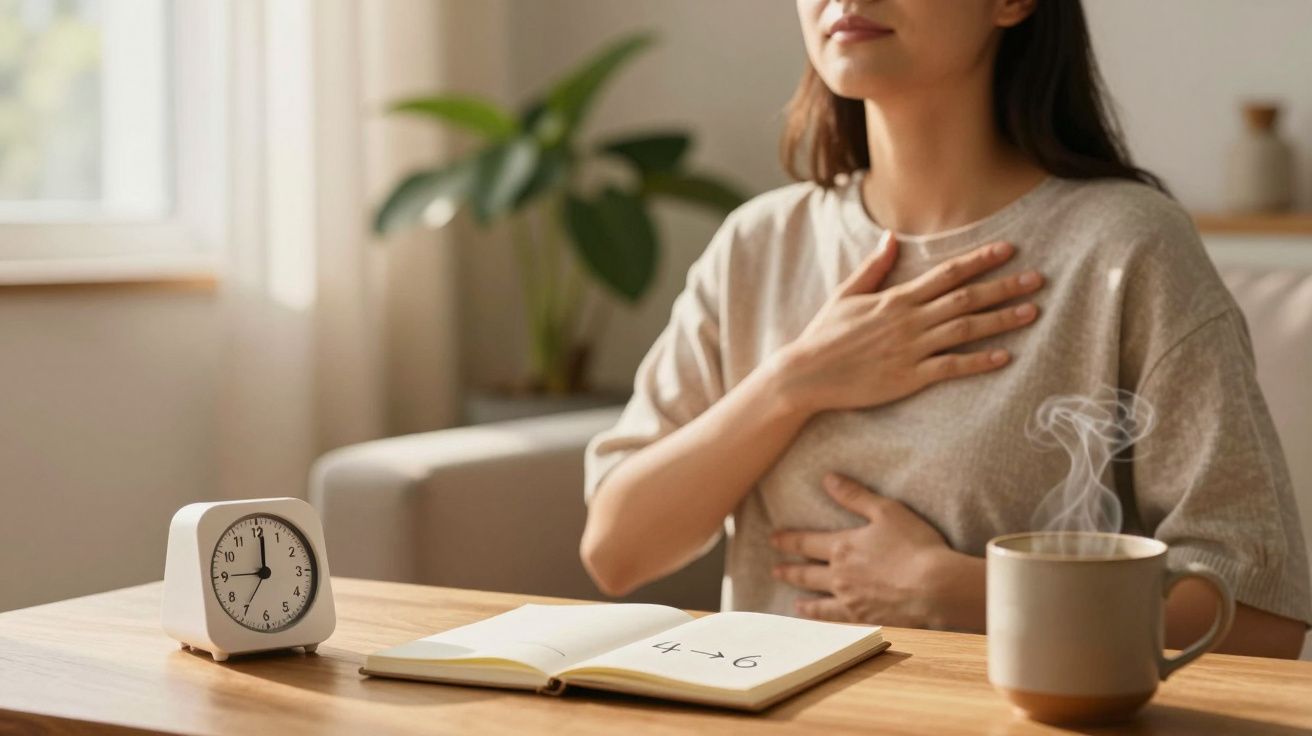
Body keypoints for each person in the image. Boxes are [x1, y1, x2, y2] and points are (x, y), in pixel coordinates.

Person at [580, 0, 1310, 657]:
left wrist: (963, 593)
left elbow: (1260, 616)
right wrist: (794, 382)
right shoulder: (758, 246)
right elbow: (616, 551)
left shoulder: (1126, 249)